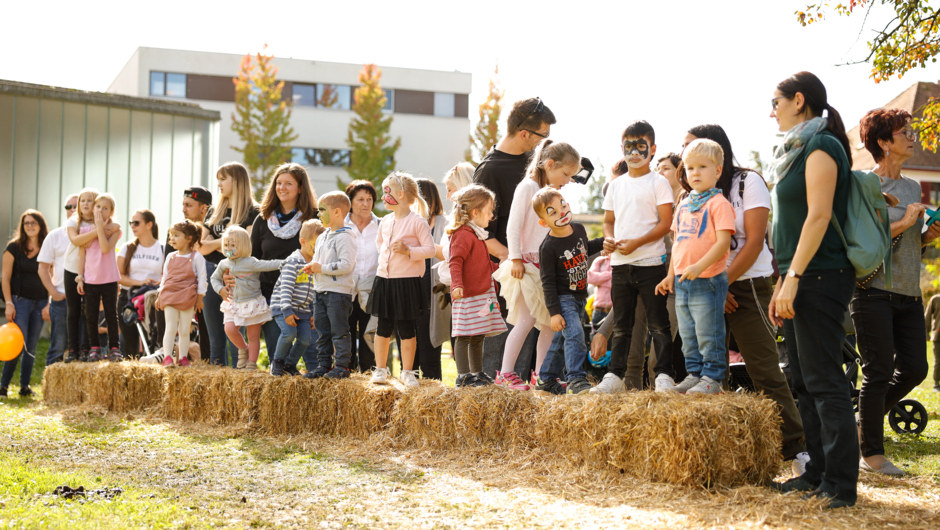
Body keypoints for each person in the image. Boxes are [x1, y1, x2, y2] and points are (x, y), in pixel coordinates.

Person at [682, 124, 808, 473]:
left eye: (693, 149)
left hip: (748, 284)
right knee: (707, 375)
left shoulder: (746, 182)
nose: (687, 159)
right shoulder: (690, 194)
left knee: (764, 369)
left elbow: (754, 243)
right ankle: (711, 459)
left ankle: (797, 449)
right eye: (685, 153)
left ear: (717, 155)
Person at [766, 71, 857, 509]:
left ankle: (841, 484)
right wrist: (783, 279)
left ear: (798, 100)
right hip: (798, 274)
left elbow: (818, 217)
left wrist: (796, 277)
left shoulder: (822, 146)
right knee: (801, 379)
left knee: (824, 379)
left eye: (777, 102)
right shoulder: (794, 150)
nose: (772, 111)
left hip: (822, 275)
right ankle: (817, 473)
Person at [852, 108, 940, 476]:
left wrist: (925, 236)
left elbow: (908, 245)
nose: (912, 136)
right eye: (904, 132)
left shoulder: (910, 187)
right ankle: (872, 454)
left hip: (908, 292)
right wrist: (905, 222)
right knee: (877, 370)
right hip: (872, 291)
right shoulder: (863, 186)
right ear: (884, 143)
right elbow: (863, 242)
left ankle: (860, 420)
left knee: (916, 369)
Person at [473, 97, 557, 380]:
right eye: (543, 135)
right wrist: (517, 261)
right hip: (506, 278)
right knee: (498, 364)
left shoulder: (533, 166)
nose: (544, 142)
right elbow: (482, 233)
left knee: (526, 363)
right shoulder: (489, 170)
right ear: (524, 133)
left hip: (535, 272)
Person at [593, 120, 675, 394]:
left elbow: (665, 223)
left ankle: (664, 374)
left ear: (652, 149)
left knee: (658, 323)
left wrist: (638, 243)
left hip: (651, 264)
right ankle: (614, 376)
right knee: (623, 325)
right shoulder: (616, 186)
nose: (634, 153)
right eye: (629, 146)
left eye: (641, 147)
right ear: (622, 148)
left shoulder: (659, 182)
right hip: (620, 265)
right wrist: (608, 238)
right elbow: (608, 221)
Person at [494, 140, 581, 391]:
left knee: (548, 324)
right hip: (525, 265)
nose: (567, 180)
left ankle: (543, 375)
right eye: (565, 174)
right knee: (527, 319)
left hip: (544, 268)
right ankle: (506, 373)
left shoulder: (548, 194)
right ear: (550, 164)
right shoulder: (528, 187)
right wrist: (517, 258)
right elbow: (514, 225)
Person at [655, 139, 735, 394]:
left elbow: (723, 243)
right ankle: (694, 374)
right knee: (688, 334)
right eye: (690, 168)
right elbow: (678, 244)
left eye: (702, 166)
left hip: (708, 278)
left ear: (718, 171)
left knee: (708, 331)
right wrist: (670, 275)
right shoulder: (684, 204)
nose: (696, 173)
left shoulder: (719, 204)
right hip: (682, 280)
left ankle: (712, 377)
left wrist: (699, 267)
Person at [248, 163, 319, 374]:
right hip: (273, 298)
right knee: (275, 355)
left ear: (300, 188)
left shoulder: (313, 220)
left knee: (311, 352)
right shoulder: (262, 219)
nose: (282, 188)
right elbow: (253, 259)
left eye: (288, 183)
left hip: (307, 299)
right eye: (278, 183)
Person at [533, 189, 604, 395]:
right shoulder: (548, 247)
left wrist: (603, 243)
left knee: (562, 340)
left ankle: (545, 379)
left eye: (562, 205)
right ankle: (576, 378)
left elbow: (585, 249)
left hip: (580, 296)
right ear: (544, 223)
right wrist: (554, 312)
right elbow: (547, 282)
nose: (561, 212)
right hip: (563, 299)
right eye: (552, 212)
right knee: (575, 334)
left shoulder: (579, 229)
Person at [368, 172, 436, 388]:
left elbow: (430, 249)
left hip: (406, 282)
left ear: (400, 194)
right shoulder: (385, 221)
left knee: (406, 328)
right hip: (385, 280)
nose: (383, 196)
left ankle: (408, 372)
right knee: (383, 327)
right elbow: (380, 245)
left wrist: (409, 251)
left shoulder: (417, 222)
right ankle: (380, 369)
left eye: (386, 191)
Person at [447, 185, 506, 387]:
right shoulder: (462, 234)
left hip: (484, 296)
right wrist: (457, 285)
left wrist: (501, 268)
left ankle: (477, 373)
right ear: (475, 212)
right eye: (489, 210)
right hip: (468, 296)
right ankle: (463, 376)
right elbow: (455, 261)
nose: (491, 216)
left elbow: (483, 263)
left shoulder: (477, 235)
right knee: (464, 335)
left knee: (478, 334)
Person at [201, 164, 259, 367]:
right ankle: (218, 381)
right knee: (216, 338)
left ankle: (240, 376)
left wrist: (216, 243)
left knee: (234, 333)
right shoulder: (213, 211)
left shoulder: (253, 211)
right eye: (218, 179)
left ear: (237, 181)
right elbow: (201, 247)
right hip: (212, 273)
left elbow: (248, 247)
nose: (218, 184)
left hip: (238, 276)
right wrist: (228, 242)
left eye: (223, 179)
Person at [302, 192, 358, 379]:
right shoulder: (323, 236)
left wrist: (322, 268)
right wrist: (313, 267)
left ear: (337, 212)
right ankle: (324, 365)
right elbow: (319, 262)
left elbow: (346, 265)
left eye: (322, 210)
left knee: (339, 331)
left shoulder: (346, 237)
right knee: (322, 331)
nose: (319, 214)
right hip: (320, 292)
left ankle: (342, 366)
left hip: (338, 294)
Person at [211, 226, 283, 370]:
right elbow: (214, 279)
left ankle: (252, 362)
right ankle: (243, 348)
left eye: (232, 245)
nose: (228, 248)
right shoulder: (223, 263)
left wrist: (286, 262)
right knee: (230, 329)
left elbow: (268, 265)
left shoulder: (251, 262)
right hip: (233, 303)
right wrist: (220, 290)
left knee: (253, 335)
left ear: (243, 246)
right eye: (226, 245)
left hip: (252, 302)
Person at [63, 188, 118, 363]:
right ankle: (73, 350)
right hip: (75, 271)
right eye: (82, 201)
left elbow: (114, 231)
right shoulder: (74, 221)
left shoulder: (112, 225)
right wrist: (99, 229)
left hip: (95, 274)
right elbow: (77, 241)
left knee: (92, 313)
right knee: (73, 311)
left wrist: (101, 226)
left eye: (89, 201)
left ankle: (89, 349)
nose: (86, 204)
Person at [1, 210, 49, 397]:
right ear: (22, 227)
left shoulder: (46, 246)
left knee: (32, 344)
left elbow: (51, 275)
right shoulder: (14, 247)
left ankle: (24, 387)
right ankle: (3, 386)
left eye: (33, 222)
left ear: (40, 225)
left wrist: (49, 303)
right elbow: (5, 278)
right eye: (26, 223)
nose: (30, 226)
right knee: (17, 343)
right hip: (19, 301)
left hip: (41, 302)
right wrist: (8, 303)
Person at [405, 179, 448, 381]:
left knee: (430, 350)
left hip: (433, 293)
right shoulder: (407, 221)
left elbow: (447, 254)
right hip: (409, 290)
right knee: (409, 352)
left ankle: (433, 393)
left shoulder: (444, 223)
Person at [269, 220, 324, 376]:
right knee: (289, 333)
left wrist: (312, 311)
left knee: (305, 339)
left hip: (304, 309)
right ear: (303, 242)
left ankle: (290, 364)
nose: (319, 248)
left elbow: (315, 290)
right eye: (316, 244)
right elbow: (285, 289)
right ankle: (277, 361)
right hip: (283, 306)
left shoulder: (316, 265)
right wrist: (286, 310)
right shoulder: (293, 262)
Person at [76, 194, 122, 363]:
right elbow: (81, 256)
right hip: (90, 280)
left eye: (105, 208)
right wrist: (80, 278)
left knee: (111, 314)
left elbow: (104, 248)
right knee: (91, 315)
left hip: (109, 278)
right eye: (98, 207)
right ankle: (94, 348)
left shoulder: (115, 230)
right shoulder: (84, 231)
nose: (100, 211)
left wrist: (100, 230)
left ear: (111, 212)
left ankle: (114, 349)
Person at [156, 220, 207, 367]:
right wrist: (160, 294)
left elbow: (202, 278)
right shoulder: (170, 256)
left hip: (187, 297)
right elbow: (165, 277)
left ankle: (183, 358)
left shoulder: (196, 257)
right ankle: (167, 357)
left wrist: (199, 298)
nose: (171, 239)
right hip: (170, 295)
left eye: (176, 235)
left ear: (189, 238)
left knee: (185, 329)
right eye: (170, 236)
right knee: (170, 327)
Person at [37, 194, 79, 365]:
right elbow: (42, 268)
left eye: (75, 205)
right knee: (58, 346)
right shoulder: (55, 235)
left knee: (85, 348)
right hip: (61, 299)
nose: (72, 209)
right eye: (68, 207)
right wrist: (54, 293)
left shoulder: (93, 235)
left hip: (85, 300)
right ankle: (50, 392)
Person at [344, 180, 381, 373]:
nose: (366, 204)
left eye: (369, 199)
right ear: (350, 202)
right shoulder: (339, 226)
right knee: (346, 340)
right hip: (345, 291)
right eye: (360, 199)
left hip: (372, 291)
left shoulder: (382, 226)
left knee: (370, 339)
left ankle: (369, 375)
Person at [117, 210, 163, 359]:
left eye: (136, 223)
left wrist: (161, 281)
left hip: (153, 300)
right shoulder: (127, 247)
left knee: (154, 342)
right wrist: (139, 282)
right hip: (129, 299)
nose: (132, 226)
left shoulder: (162, 248)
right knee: (129, 345)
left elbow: (169, 273)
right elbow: (118, 276)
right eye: (131, 223)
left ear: (149, 225)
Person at [924, 293, 940, 392]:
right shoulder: (936, 299)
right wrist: (926, 334)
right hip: (938, 336)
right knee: (938, 361)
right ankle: (936, 384)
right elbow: (927, 317)